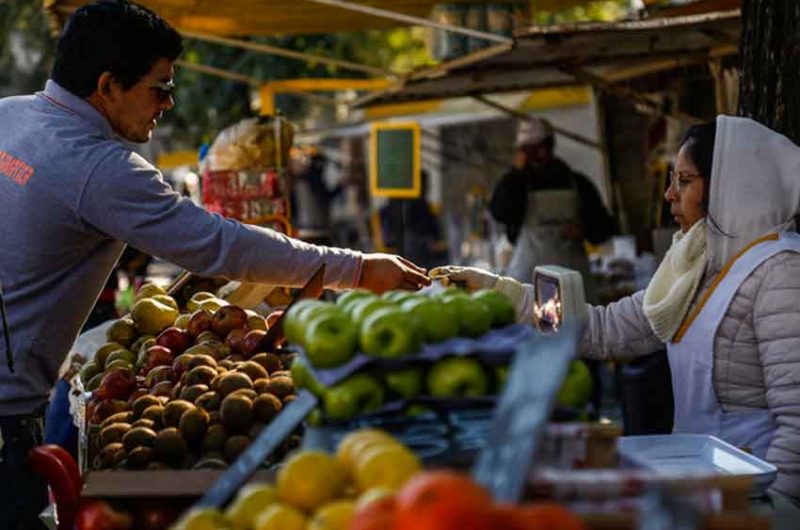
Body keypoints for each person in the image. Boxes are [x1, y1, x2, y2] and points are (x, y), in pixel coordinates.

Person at [0, 2, 429, 527]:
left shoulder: (8, 115)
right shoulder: (98, 166)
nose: (169, 104)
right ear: (109, 85)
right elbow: (217, 246)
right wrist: (356, 269)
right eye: (159, 88)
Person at [434, 116, 800, 527]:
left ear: (730, 190)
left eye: (684, 181)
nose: (668, 195)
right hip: (704, 492)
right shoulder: (695, 265)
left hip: (754, 500)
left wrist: (776, 508)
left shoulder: (780, 273)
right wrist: (501, 293)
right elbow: (606, 331)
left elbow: (798, 420)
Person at [489, 117, 614, 297]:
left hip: (573, 284)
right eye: (529, 151)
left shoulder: (578, 183)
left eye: (540, 148)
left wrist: (585, 229)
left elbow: (604, 229)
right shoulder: (517, 187)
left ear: (551, 145)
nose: (537, 156)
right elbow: (499, 212)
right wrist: (515, 173)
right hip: (529, 283)